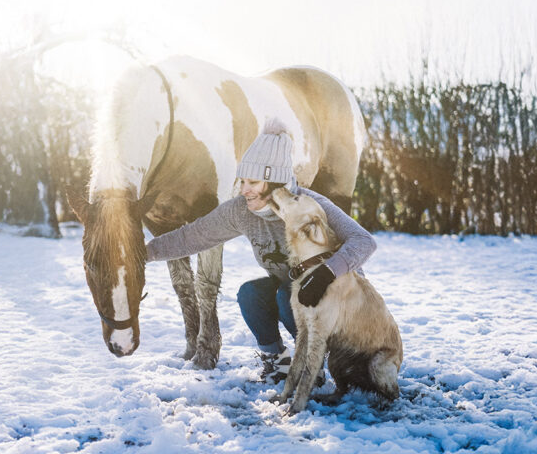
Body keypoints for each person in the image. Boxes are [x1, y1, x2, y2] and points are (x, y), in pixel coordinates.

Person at [145, 118, 377, 382]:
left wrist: (327, 272)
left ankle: (319, 361)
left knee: (288, 295)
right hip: (293, 290)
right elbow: (193, 236)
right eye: (242, 181)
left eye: (252, 182)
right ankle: (277, 362)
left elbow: (364, 241)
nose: (244, 190)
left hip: (341, 298)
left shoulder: (309, 205)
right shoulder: (241, 211)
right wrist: (144, 254)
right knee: (251, 295)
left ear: (274, 181)